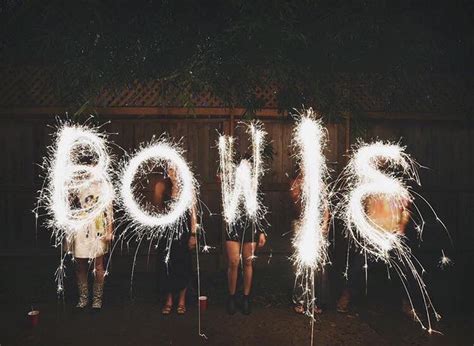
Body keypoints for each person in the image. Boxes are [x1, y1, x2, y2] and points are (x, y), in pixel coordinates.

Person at [336, 193, 412, 316]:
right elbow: (361, 211)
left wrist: (402, 225)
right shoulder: (370, 193)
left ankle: (407, 304)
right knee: (357, 268)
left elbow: (406, 211)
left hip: (392, 238)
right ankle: (345, 297)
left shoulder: (397, 192)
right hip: (372, 238)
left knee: (404, 270)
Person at [153, 167, 197, 315]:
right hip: (166, 234)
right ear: (167, 171)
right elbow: (157, 211)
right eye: (171, 169)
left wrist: (193, 234)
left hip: (183, 234)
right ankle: (169, 300)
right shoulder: (161, 187)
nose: (174, 172)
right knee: (167, 265)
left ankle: (182, 300)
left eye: (176, 168)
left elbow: (193, 213)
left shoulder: (188, 188)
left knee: (183, 264)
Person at [68, 181, 114, 311]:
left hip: (98, 227)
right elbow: (67, 203)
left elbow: (109, 209)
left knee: (98, 265)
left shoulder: (103, 183)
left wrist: (110, 230)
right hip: (80, 227)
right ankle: (83, 298)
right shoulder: (75, 181)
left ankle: (97, 300)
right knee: (80, 265)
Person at [290, 173, 330, 314]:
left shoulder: (320, 182)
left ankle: (317, 301)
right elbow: (296, 205)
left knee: (318, 265)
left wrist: (325, 223)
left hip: (318, 226)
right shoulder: (296, 183)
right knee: (301, 264)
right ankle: (300, 300)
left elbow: (325, 205)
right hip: (301, 225)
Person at [225, 216, 266, 315]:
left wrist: (261, 232)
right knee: (233, 262)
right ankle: (232, 297)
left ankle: (246, 298)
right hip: (233, 223)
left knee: (248, 262)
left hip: (251, 224)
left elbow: (260, 206)